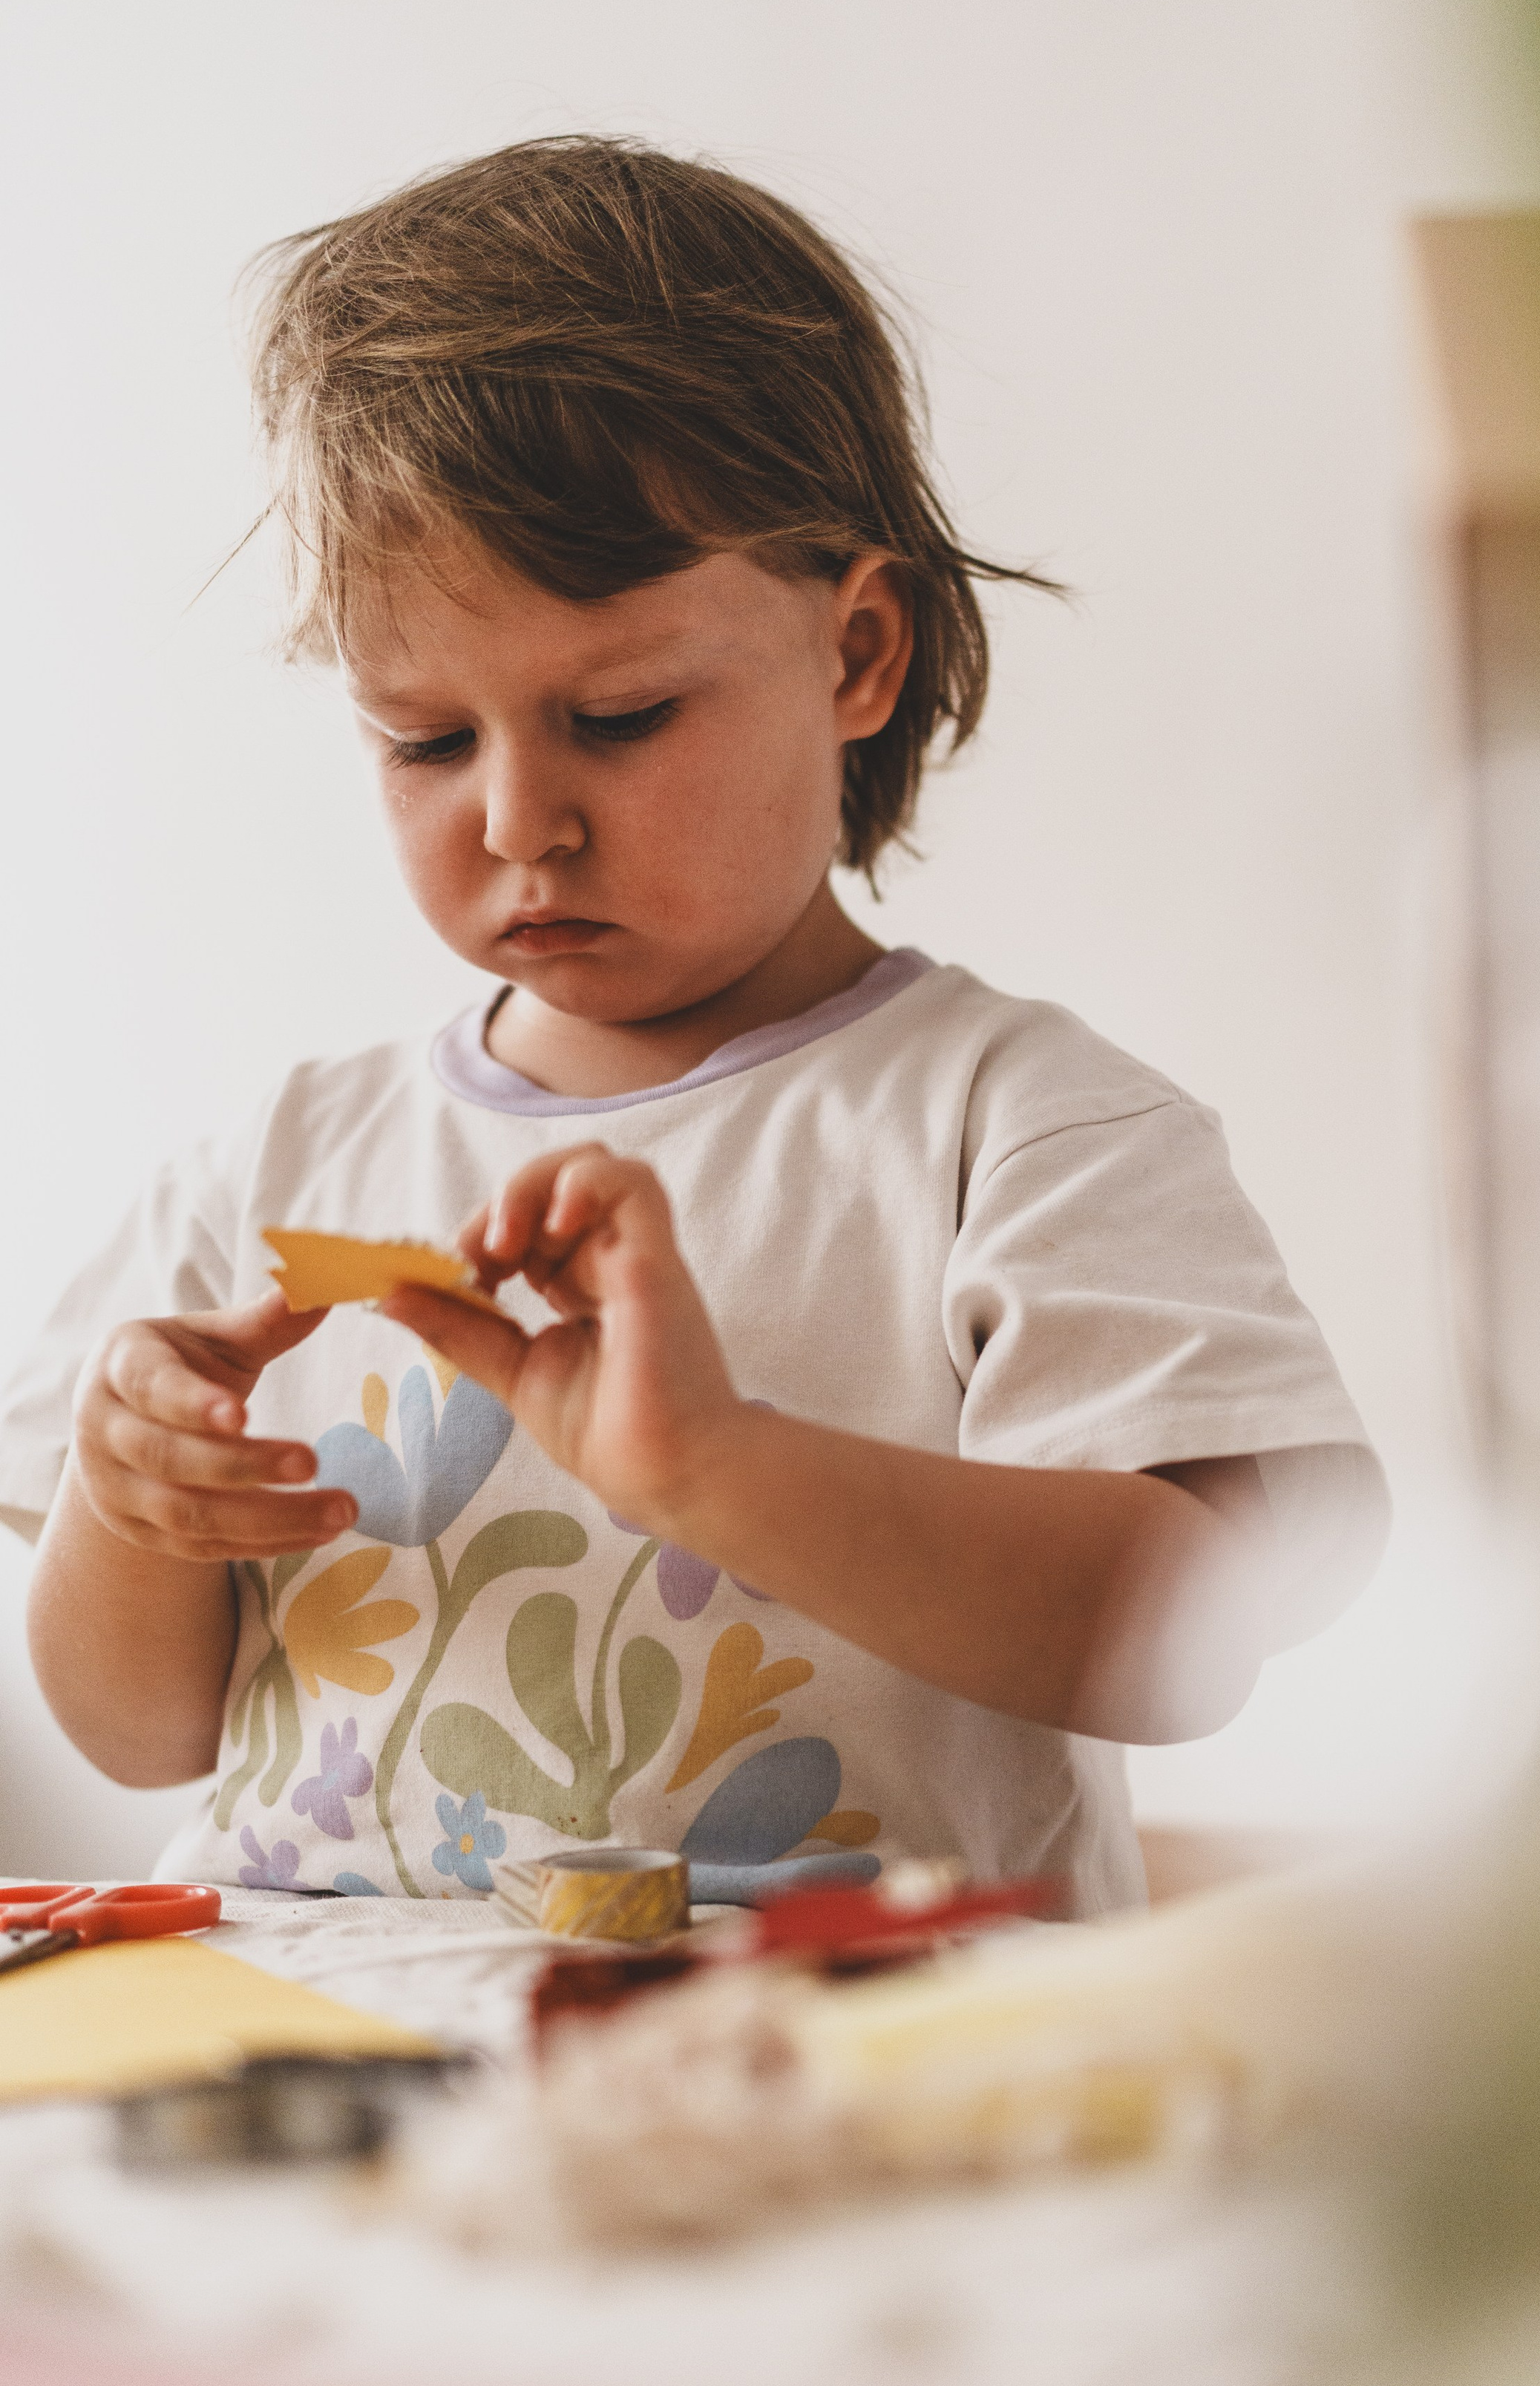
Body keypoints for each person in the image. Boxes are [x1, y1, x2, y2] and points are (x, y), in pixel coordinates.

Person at [0, 138, 1387, 1914]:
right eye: (426, 740)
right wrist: (134, 1504)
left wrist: (719, 1470)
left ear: (856, 656)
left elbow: (1181, 1641)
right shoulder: (276, 1165)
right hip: (321, 2088)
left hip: (839, 2095)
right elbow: (133, 1732)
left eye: (625, 712)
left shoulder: (1008, 1127)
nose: (515, 820)